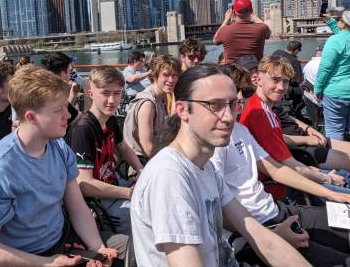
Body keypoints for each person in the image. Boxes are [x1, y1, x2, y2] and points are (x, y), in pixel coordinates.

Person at [130, 64, 309, 267]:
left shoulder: (206, 168)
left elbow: (261, 238)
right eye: (214, 105)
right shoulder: (170, 177)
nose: (228, 116)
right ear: (182, 110)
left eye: (232, 104)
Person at [0, 65, 121, 266]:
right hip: (26, 259)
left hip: (62, 244)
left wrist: (98, 249)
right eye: (58, 110)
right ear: (31, 117)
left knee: (128, 248)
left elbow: (77, 206)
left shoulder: (59, 148)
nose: (68, 115)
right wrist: (46, 263)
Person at [240, 56, 350, 200]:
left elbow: (277, 142)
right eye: (275, 79)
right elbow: (291, 166)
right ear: (258, 79)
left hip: (288, 174)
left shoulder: (265, 109)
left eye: (285, 81)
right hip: (280, 189)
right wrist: (327, 178)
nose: (281, 87)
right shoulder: (259, 114)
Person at [67, 66, 143, 235]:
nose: (111, 100)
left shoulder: (111, 120)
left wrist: (140, 170)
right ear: (91, 92)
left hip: (115, 184)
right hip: (98, 202)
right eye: (105, 93)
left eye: (116, 93)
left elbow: (124, 148)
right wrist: (129, 193)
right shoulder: (82, 129)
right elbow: (84, 184)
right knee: (147, 217)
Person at [124, 55, 181, 158]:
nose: (171, 80)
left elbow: (171, 127)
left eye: (175, 75)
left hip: (158, 153)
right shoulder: (148, 104)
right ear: (155, 76)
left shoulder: (162, 97)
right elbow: (147, 146)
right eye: (166, 75)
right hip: (142, 162)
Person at [314, 9, 350, 141]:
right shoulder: (340, 38)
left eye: (339, 20)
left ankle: (337, 160)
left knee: (335, 131)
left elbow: (325, 68)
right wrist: (329, 20)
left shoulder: (334, 41)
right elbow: (344, 36)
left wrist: (317, 88)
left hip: (335, 93)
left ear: (343, 23)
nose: (337, 22)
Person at [213, 0, 270, 64]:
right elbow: (268, 34)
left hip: (232, 72)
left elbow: (215, 41)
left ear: (233, 11)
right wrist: (253, 16)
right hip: (254, 71)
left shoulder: (224, 30)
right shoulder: (261, 28)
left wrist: (226, 20)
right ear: (251, 10)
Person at [41, 52, 81, 127]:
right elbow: (82, 120)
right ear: (62, 74)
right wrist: (86, 89)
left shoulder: (43, 91)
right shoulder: (56, 96)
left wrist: (72, 95)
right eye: (69, 71)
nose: (70, 76)